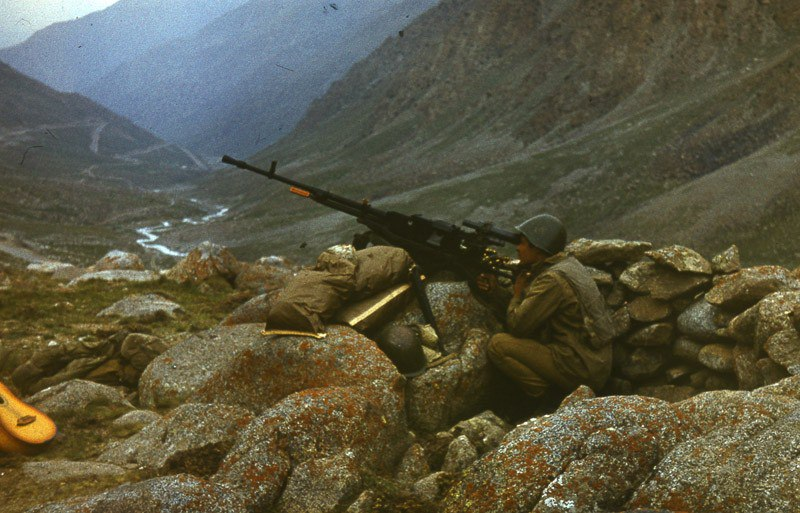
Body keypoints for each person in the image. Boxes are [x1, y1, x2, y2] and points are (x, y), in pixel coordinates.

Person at [476, 214, 613, 407]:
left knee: (498, 345)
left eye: (523, 243)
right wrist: (496, 291)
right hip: (594, 362)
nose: (518, 248)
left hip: (580, 368)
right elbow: (532, 310)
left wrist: (517, 294)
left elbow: (518, 326)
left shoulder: (552, 280)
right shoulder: (568, 265)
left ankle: (547, 398)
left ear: (538, 249)